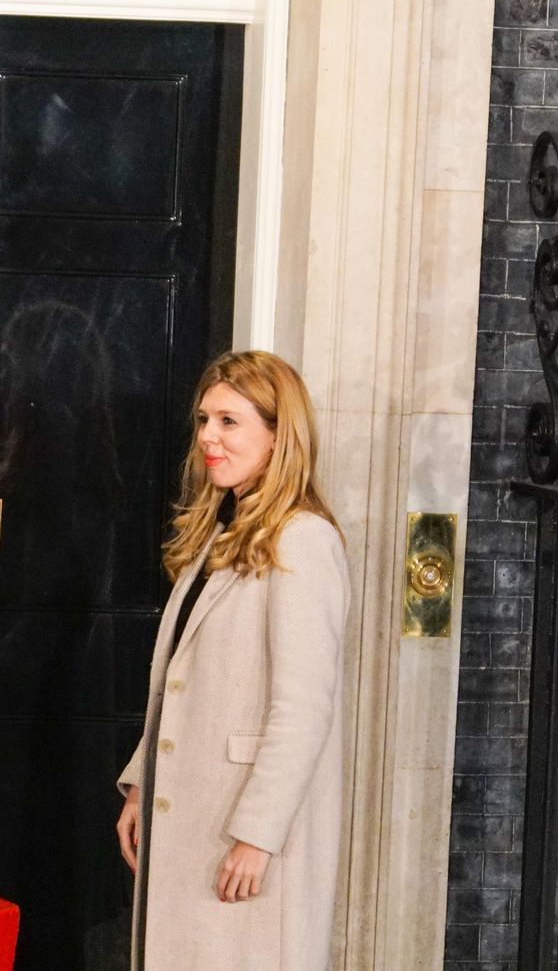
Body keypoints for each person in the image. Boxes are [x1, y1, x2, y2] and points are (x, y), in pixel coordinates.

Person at [113, 350, 351, 971]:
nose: (208, 438)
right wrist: (141, 783)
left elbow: (302, 710)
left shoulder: (303, 539)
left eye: (229, 422)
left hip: (242, 830)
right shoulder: (222, 533)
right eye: (203, 420)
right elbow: (177, 684)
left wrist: (257, 835)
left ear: (278, 437)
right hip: (191, 814)